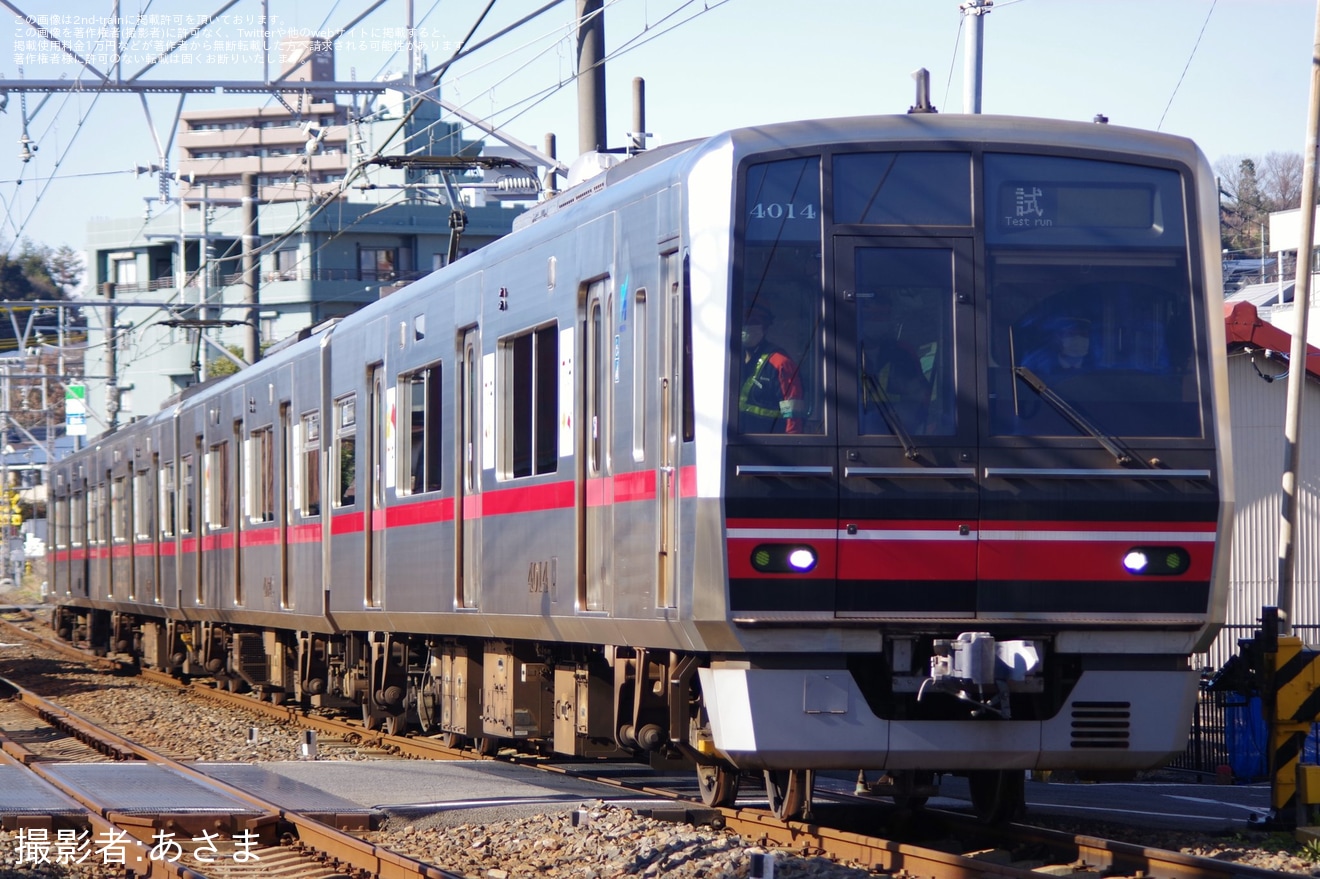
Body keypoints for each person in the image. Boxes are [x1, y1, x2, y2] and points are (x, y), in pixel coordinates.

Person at [857, 294, 930, 434]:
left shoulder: (902, 354)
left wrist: (902, 417)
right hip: (850, 433)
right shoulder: (842, 351)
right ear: (860, 319)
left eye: (884, 316)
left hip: (898, 435)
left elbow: (921, 397)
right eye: (873, 316)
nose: (880, 321)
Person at [738, 304, 805, 434]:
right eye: (745, 321)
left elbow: (794, 415)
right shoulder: (731, 359)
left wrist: (791, 446)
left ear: (766, 327)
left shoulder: (781, 363)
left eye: (754, 322)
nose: (748, 326)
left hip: (768, 444)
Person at [1020, 315, 1093, 376]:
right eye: (1071, 334)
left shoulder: (1096, 373)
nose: (1078, 339)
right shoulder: (1040, 372)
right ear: (1057, 338)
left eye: (1083, 335)